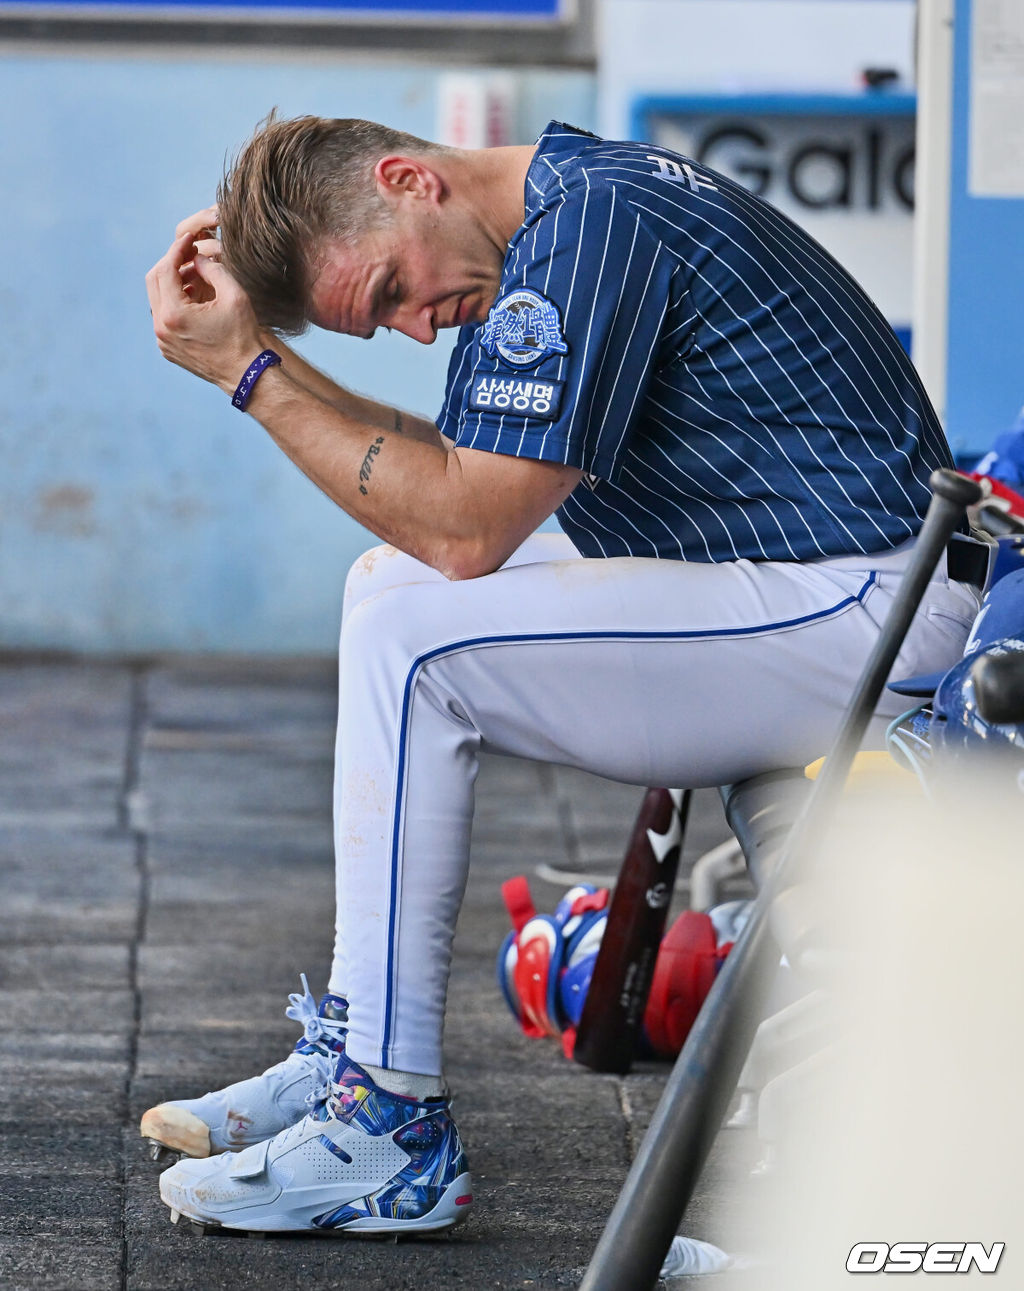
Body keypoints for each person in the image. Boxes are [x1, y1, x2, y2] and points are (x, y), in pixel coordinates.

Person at [142, 114, 985, 1236]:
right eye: (379, 319)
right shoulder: (548, 218)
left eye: (392, 290)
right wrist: (261, 353)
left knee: (415, 635)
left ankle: (389, 1130)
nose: (409, 325)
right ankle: (355, 1053)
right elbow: (445, 478)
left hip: (875, 607)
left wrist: (249, 375)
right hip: (805, 575)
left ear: (408, 180)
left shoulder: (589, 232)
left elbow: (464, 527)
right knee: (383, 592)